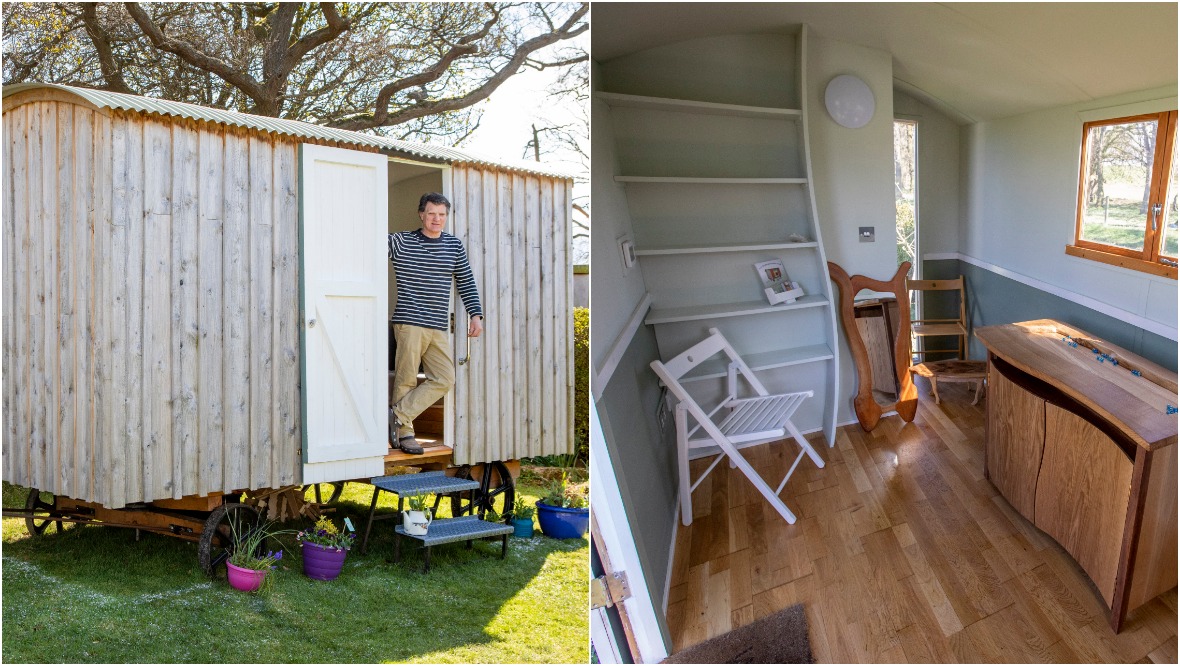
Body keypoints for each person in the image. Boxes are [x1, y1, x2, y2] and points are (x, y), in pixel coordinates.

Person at [387, 192, 483, 454]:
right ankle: (405, 433)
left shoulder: (453, 246)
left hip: (438, 324)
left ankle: (398, 414)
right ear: (421, 214)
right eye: (431, 214)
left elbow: (466, 281)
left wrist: (476, 314)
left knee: (444, 378)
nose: (436, 219)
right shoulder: (401, 241)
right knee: (406, 379)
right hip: (410, 321)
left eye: (441, 215)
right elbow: (368, 247)